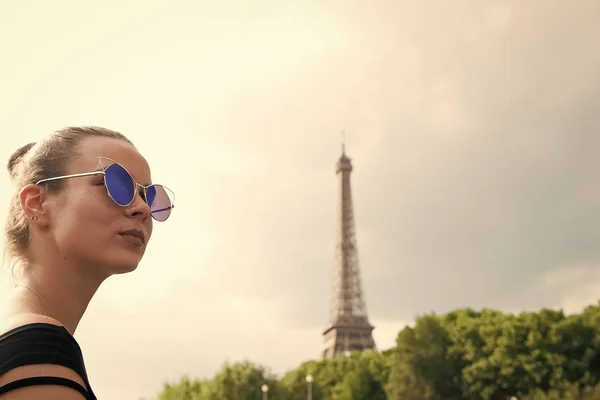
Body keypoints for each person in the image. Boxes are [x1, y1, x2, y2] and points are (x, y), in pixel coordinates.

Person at [0, 126, 175, 399]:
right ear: (36, 203)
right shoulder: (41, 354)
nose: (141, 208)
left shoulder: (22, 342)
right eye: (115, 183)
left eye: (149, 196)